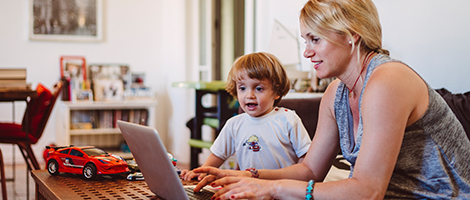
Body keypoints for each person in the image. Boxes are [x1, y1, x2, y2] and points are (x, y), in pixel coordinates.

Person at [192, 0, 470, 199]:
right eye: (305, 41)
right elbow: (310, 171)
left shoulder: (388, 80)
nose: (307, 52)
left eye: (315, 39)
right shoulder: (335, 93)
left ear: (351, 35)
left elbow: (367, 191)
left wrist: (272, 188)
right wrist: (250, 177)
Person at [181, 52, 312, 182]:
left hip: (283, 190)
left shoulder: (288, 119)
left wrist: (296, 185)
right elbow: (217, 155)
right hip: (249, 189)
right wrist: (200, 172)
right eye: (242, 88)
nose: (249, 95)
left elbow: (306, 158)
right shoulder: (234, 124)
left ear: (276, 92)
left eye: (259, 88)